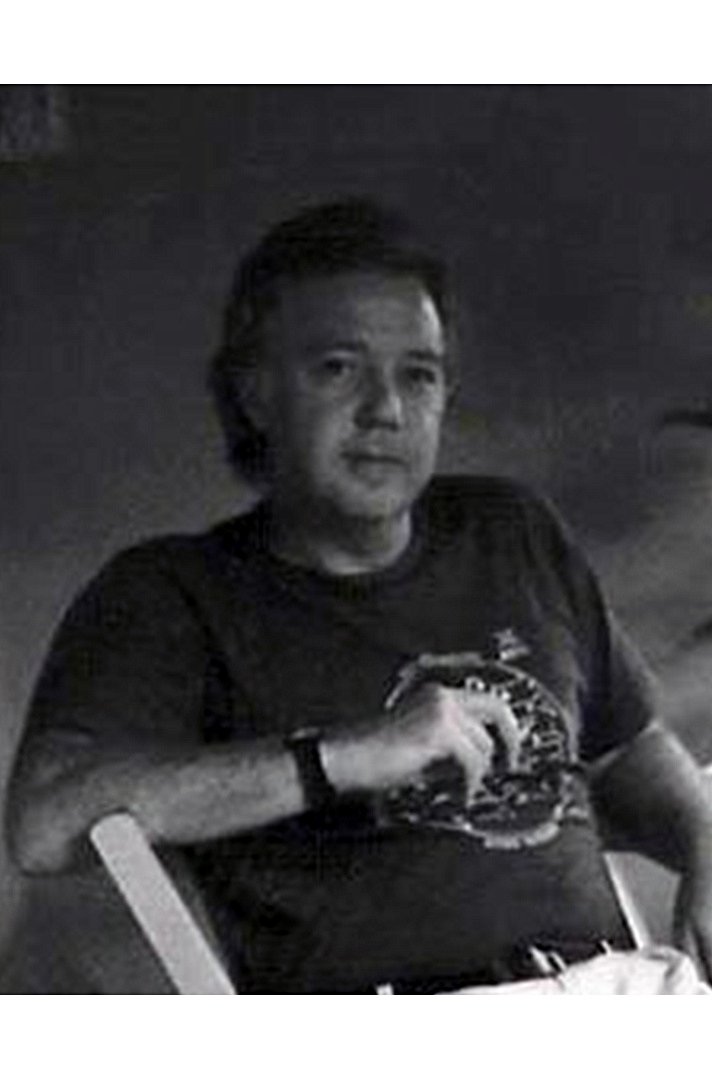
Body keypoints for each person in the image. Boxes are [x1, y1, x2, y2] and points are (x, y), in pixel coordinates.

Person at [7, 200, 712, 994]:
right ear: (256, 393)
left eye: (418, 374)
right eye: (339, 368)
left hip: (628, 993)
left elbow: (626, 746)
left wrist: (704, 839)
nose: (386, 410)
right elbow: (43, 822)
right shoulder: (172, 592)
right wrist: (340, 757)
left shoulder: (510, 528)